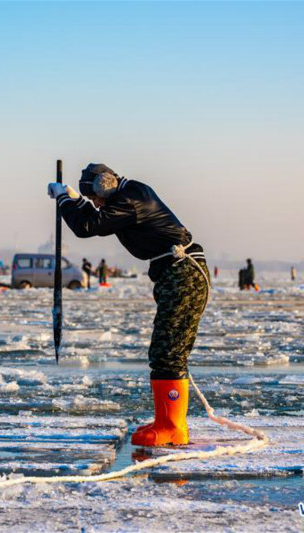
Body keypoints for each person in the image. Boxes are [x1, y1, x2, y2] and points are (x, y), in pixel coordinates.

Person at [48, 163, 210, 447]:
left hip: (184, 273)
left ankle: (172, 427)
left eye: (96, 197)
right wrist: (74, 200)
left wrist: (65, 201)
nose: (96, 204)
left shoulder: (131, 199)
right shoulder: (127, 196)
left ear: (105, 184)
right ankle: (168, 420)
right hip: (174, 273)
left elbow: (88, 227)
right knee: (166, 348)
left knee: (167, 350)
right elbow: (97, 219)